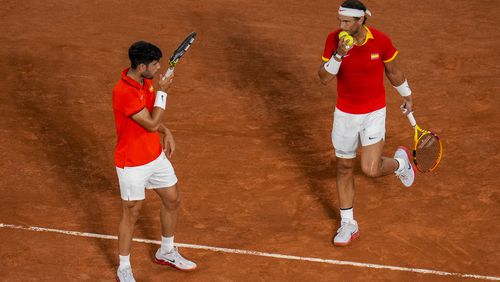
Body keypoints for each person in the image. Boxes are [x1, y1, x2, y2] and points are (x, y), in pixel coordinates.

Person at [318, 0, 416, 247]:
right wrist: (339, 54)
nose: (341, 26)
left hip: (373, 113)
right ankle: (348, 223)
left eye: (347, 22)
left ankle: (399, 163)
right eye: (340, 21)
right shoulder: (334, 40)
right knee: (344, 167)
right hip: (345, 115)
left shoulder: (380, 40)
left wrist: (406, 94)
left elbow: (393, 71)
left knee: (371, 168)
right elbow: (323, 78)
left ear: (360, 20)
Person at [112, 41, 196, 281]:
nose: (159, 68)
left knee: (172, 199)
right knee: (132, 213)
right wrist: (164, 91)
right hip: (132, 164)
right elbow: (149, 122)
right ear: (141, 66)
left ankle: (166, 251)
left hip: (154, 156)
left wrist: (166, 131)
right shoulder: (123, 92)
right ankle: (124, 267)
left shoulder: (144, 81)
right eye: (155, 64)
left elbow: (151, 118)